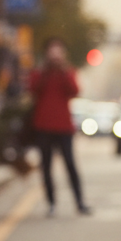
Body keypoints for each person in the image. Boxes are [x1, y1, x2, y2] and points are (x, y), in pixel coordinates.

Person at [28, 38, 90, 216]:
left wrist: (62, 70)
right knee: (46, 167)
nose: (55, 54)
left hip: (64, 126)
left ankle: (79, 202)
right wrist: (45, 71)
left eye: (59, 51)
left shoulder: (67, 71)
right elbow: (33, 89)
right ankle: (51, 203)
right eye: (52, 50)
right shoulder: (40, 72)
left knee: (70, 164)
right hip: (43, 126)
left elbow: (74, 90)